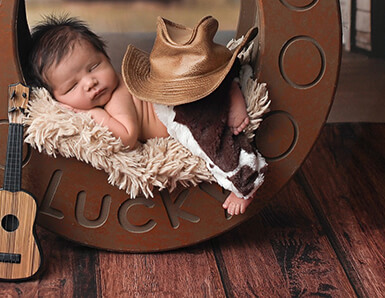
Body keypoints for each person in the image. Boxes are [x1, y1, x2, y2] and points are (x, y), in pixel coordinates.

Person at [25, 14, 263, 215]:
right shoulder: (104, 93)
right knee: (206, 95)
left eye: (94, 66)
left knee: (210, 140)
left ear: (106, 56)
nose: (90, 83)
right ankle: (227, 85)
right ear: (55, 98)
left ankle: (245, 182)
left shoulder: (117, 96)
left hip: (178, 110)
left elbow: (127, 137)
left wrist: (94, 115)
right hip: (183, 95)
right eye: (72, 86)